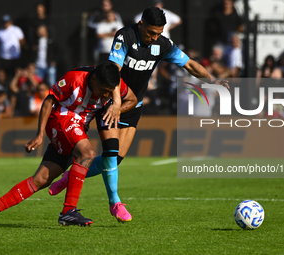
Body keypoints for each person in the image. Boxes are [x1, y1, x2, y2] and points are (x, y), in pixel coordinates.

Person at [49, 7, 229, 221]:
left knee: (116, 159)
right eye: (151, 33)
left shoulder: (162, 44)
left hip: (134, 104)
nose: (154, 38)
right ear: (141, 24)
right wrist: (115, 103)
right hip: (111, 100)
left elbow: (189, 64)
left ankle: (72, 175)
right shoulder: (124, 36)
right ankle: (115, 202)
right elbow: (113, 70)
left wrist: (213, 81)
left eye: (158, 33)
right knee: (110, 151)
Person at [0, 62, 137, 226]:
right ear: (94, 80)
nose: (108, 95)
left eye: (110, 91)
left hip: (77, 127)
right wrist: (40, 134)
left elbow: (132, 99)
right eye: (104, 90)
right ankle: (68, 211)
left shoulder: (112, 86)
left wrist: (118, 109)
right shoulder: (74, 79)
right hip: (61, 119)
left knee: (41, 179)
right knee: (87, 153)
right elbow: (48, 101)